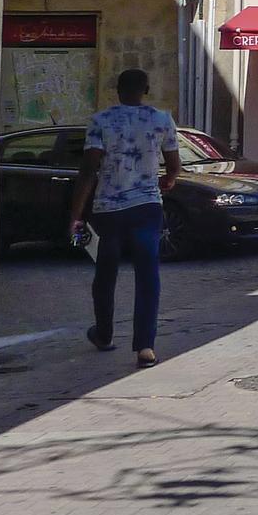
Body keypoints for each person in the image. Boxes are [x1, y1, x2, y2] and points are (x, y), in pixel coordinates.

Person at [70, 69, 181, 368]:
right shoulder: (162, 119)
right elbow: (174, 164)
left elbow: (88, 170)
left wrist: (76, 215)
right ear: (146, 89)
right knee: (148, 275)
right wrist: (169, 179)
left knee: (105, 272)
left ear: (117, 89)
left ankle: (104, 333)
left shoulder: (100, 121)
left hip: (108, 208)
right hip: (147, 206)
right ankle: (145, 346)